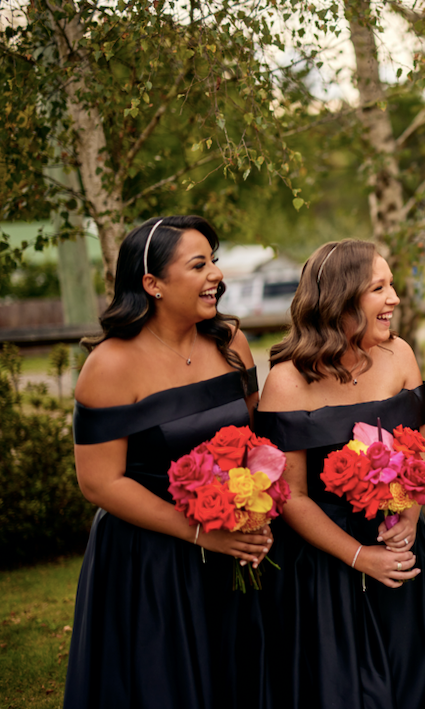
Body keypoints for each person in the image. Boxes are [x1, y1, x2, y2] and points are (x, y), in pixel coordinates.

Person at [66, 216, 269, 709]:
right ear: (152, 283)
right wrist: (201, 533)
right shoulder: (111, 364)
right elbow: (100, 482)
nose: (215, 275)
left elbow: (257, 444)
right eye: (198, 265)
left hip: (232, 549)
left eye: (214, 262)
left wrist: (256, 509)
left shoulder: (231, 345)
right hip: (148, 563)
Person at [254, 240, 425, 709]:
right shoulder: (287, 380)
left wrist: (409, 516)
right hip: (324, 561)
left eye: (391, 286)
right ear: (341, 300)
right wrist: (358, 557)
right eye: (379, 289)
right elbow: (292, 495)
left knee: (411, 674)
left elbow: (418, 451)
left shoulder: (400, 355)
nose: (394, 299)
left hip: (401, 543)